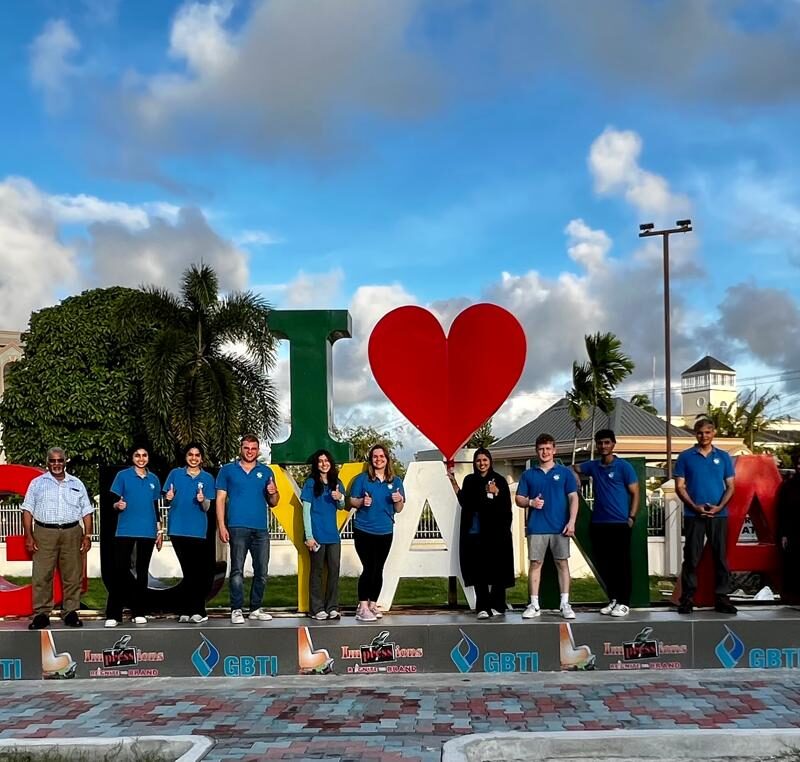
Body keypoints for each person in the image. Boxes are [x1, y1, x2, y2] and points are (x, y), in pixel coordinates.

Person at [21, 447, 93, 630]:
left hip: (72, 532)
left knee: (72, 575)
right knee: (42, 574)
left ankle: (70, 612)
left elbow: (86, 511)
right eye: (52, 461)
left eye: (59, 460)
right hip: (45, 533)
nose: (56, 464)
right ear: (48, 462)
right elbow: (27, 510)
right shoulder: (37, 483)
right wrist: (29, 536)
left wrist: (87, 535)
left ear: (65, 461)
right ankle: (41, 614)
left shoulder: (76, 483)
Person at [573, 429, 639, 618]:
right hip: (599, 524)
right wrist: (576, 475)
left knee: (622, 564)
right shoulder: (593, 466)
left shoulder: (624, 467)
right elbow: (573, 468)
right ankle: (614, 600)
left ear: (613, 444)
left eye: (607, 443)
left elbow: (636, 493)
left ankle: (625, 603)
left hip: (620, 523)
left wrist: (632, 517)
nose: (603, 446)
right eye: (600, 443)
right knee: (606, 565)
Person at [674, 418, 737, 615]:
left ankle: (722, 598)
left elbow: (731, 486)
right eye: (700, 432)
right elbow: (679, 486)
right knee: (691, 557)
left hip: (719, 515)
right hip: (694, 515)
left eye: (708, 432)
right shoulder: (685, 457)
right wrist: (695, 506)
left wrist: (719, 507)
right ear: (695, 434)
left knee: (720, 557)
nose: (704, 436)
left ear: (714, 433)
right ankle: (687, 599)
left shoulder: (724, 457)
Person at [216, 434, 280, 624]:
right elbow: (220, 499)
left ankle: (256, 608)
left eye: (253, 448)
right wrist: (221, 525)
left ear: (258, 450)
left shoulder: (266, 471)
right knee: (237, 570)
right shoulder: (227, 470)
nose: (250, 451)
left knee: (261, 570)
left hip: (260, 528)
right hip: (237, 526)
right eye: (246, 448)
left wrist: (274, 492)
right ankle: (236, 609)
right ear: (241, 448)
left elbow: (274, 503)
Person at [515, 433, 579, 620]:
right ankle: (534, 605)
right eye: (541, 449)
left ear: (554, 450)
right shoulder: (528, 474)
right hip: (537, 528)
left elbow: (573, 498)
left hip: (560, 527)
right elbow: (519, 498)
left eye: (548, 449)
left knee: (562, 563)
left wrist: (572, 521)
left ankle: (565, 604)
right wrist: (531, 503)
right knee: (535, 564)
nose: (545, 452)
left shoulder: (565, 473)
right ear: (537, 451)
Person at [447, 447, 514, 619]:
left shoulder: (498, 480)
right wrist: (454, 484)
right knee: (479, 571)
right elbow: (465, 502)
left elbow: (506, 507)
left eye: (485, 460)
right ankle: (482, 607)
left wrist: (496, 493)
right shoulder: (470, 480)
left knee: (498, 570)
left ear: (490, 461)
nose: (482, 463)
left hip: (496, 534)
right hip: (476, 534)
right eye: (478, 460)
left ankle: (498, 605)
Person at [105, 444, 163, 627]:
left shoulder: (154, 479)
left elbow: (156, 506)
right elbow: (112, 502)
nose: (141, 458)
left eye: (144, 455)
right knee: (119, 571)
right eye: (137, 455)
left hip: (147, 531)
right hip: (125, 530)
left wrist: (159, 530)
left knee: (142, 572)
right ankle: (114, 614)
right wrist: (117, 506)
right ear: (132, 457)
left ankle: (139, 611)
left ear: (148, 457)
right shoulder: (122, 476)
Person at [349, 444, 405, 621]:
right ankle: (362, 606)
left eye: (381, 456)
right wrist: (361, 502)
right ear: (371, 460)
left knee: (379, 568)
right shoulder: (362, 479)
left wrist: (399, 500)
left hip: (385, 531)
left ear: (387, 459)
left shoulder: (395, 481)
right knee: (369, 567)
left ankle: (373, 604)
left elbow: (399, 508)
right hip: (364, 529)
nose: (378, 459)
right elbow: (351, 501)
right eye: (375, 457)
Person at [164, 443, 216, 624]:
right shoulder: (175, 474)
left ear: (201, 458)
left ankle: (198, 610)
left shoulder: (208, 478)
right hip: (178, 529)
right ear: (185, 456)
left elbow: (208, 506)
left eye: (197, 455)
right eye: (190, 454)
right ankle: (186, 609)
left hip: (198, 531)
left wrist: (202, 501)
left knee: (197, 572)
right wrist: (168, 497)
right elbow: (167, 497)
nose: (193, 458)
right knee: (188, 572)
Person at [301, 449, 348, 620]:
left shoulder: (337, 482)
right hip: (316, 535)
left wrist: (340, 497)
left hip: (333, 535)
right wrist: (309, 536)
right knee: (317, 572)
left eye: (326, 460)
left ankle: (332, 607)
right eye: (320, 461)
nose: (324, 463)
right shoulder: (311, 483)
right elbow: (305, 511)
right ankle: (316, 609)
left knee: (334, 571)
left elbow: (342, 506)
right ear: (316, 464)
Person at [778, 452, 800, 602]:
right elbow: (782, 510)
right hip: (794, 532)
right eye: (798, 463)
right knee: (794, 565)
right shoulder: (788, 486)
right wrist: (784, 534)